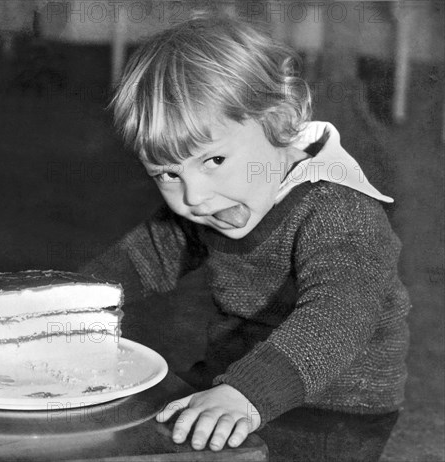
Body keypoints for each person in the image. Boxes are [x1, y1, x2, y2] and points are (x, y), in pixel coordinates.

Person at [79, 14, 410, 456]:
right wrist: (69, 304)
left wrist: (245, 394)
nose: (193, 197)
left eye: (213, 161)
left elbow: (335, 320)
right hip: (232, 379)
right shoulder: (217, 200)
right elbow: (147, 254)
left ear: (281, 118)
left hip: (331, 412)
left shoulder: (341, 211)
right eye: (166, 174)